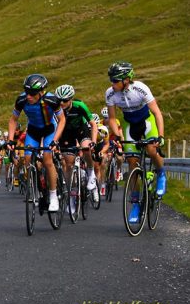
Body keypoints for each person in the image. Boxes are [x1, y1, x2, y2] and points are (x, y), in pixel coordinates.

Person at [105, 61, 166, 223]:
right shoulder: (110, 94)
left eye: (115, 81)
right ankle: (135, 205)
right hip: (129, 125)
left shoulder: (141, 88)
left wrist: (160, 135)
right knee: (132, 162)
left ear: (126, 80)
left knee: (152, 150)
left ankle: (161, 174)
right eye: (111, 80)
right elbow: (112, 119)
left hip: (147, 122)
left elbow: (157, 113)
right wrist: (117, 135)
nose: (112, 84)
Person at [7, 74, 66, 212]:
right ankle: (39, 187)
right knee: (27, 159)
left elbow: (62, 120)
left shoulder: (51, 100)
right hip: (33, 130)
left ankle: (53, 196)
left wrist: (55, 140)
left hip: (49, 130)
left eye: (32, 94)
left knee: (47, 159)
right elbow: (13, 120)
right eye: (27, 92)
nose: (29, 96)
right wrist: (10, 139)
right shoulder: (21, 99)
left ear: (41, 92)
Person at [53, 84, 99, 203]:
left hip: (81, 130)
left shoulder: (80, 106)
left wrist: (93, 141)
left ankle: (91, 173)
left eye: (65, 100)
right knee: (68, 165)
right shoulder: (55, 108)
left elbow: (93, 124)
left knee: (86, 148)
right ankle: (70, 194)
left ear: (71, 99)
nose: (62, 103)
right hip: (67, 133)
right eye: (59, 100)